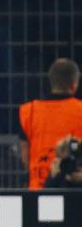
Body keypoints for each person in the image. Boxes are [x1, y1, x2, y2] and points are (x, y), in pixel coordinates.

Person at [19, 58, 82, 190]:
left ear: (51, 81)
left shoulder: (29, 111)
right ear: (74, 84)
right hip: (75, 190)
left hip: (39, 190)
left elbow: (25, 156)